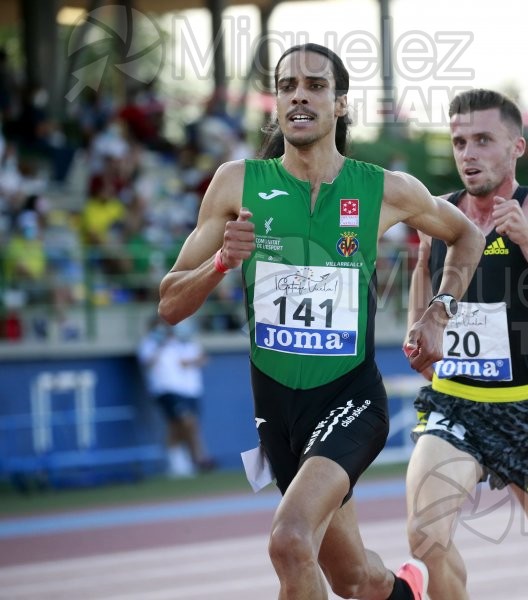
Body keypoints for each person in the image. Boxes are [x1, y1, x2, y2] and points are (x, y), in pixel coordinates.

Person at [157, 44, 485, 600]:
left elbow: (467, 236)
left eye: (314, 85)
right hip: (278, 411)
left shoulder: (385, 189)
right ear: (276, 105)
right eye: (286, 86)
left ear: (340, 104)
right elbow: (169, 304)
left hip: (351, 399)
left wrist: (440, 310)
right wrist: (220, 262)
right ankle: (408, 590)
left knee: (289, 541)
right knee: (355, 580)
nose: (299, 95)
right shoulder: (236, 184)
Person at [404, 89, 528, 599]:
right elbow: (422, 273)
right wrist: (419, 332)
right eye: (458, 142)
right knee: (426, 537)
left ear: (516, 146)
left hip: (525, 411)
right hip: (455, 402)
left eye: (482, 141)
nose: (468, 154)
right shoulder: (441, 212)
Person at [137, 317, 215, 477]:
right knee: (187, 422)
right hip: (165, 389)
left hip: (187, 390)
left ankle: (178, 462)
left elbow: (201, 358)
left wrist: (191, 361)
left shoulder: (179, 343)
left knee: (176, 426)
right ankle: (199, 458)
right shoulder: (149, 344)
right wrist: (159, 345)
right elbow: (147, 362)